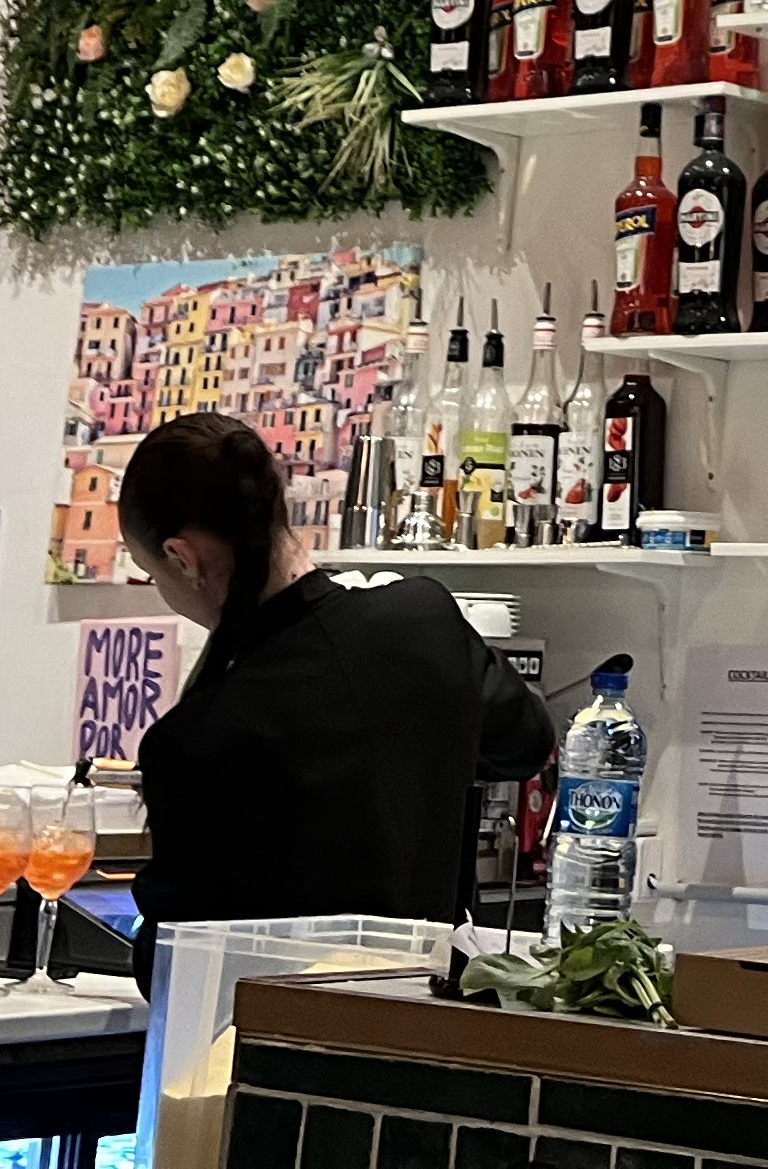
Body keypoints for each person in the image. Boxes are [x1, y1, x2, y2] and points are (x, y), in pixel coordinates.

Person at [119, 410, 553, 975]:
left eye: (152, 573)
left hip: (285, 1027)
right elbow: (527, 742)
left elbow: (175, 967)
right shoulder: (421, 618)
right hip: (430, 1010)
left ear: (183, 557)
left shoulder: (196, 737)